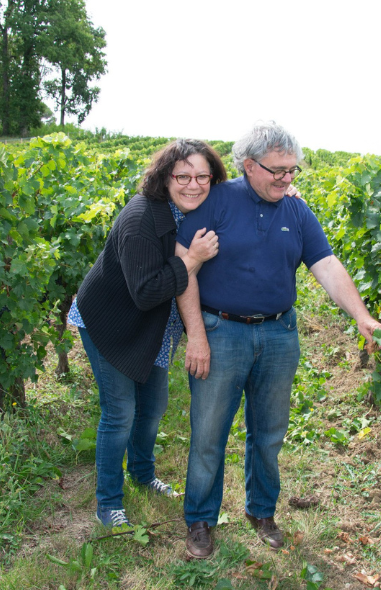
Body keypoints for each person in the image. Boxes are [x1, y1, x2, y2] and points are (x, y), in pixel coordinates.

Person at [175, 121, 381, 559]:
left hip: (278, 334)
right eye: (278, 170)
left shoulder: (296, 210)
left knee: (269, 432)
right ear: (249, 166)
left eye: (293, 170)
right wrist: (196, 334)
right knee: (209, 432)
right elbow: (184, 268)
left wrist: (362, 315)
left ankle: (262, 511)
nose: (287, 178)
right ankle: (200, 518)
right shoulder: (215, 201)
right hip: (222, 331)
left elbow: (326, 265)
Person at [68, 139, 226, 528]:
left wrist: (287, 190)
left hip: (148, 327)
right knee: (120, 413)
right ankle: (108, 502)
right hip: (109, 323)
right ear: (165, 176)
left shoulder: (182, 209)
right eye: (183, 176)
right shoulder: (141, 218)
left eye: (202, 176)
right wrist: (192, 259)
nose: (194, 184)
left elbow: (244, 194)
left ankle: (141, 473)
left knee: (153, 407)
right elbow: (145, 292)